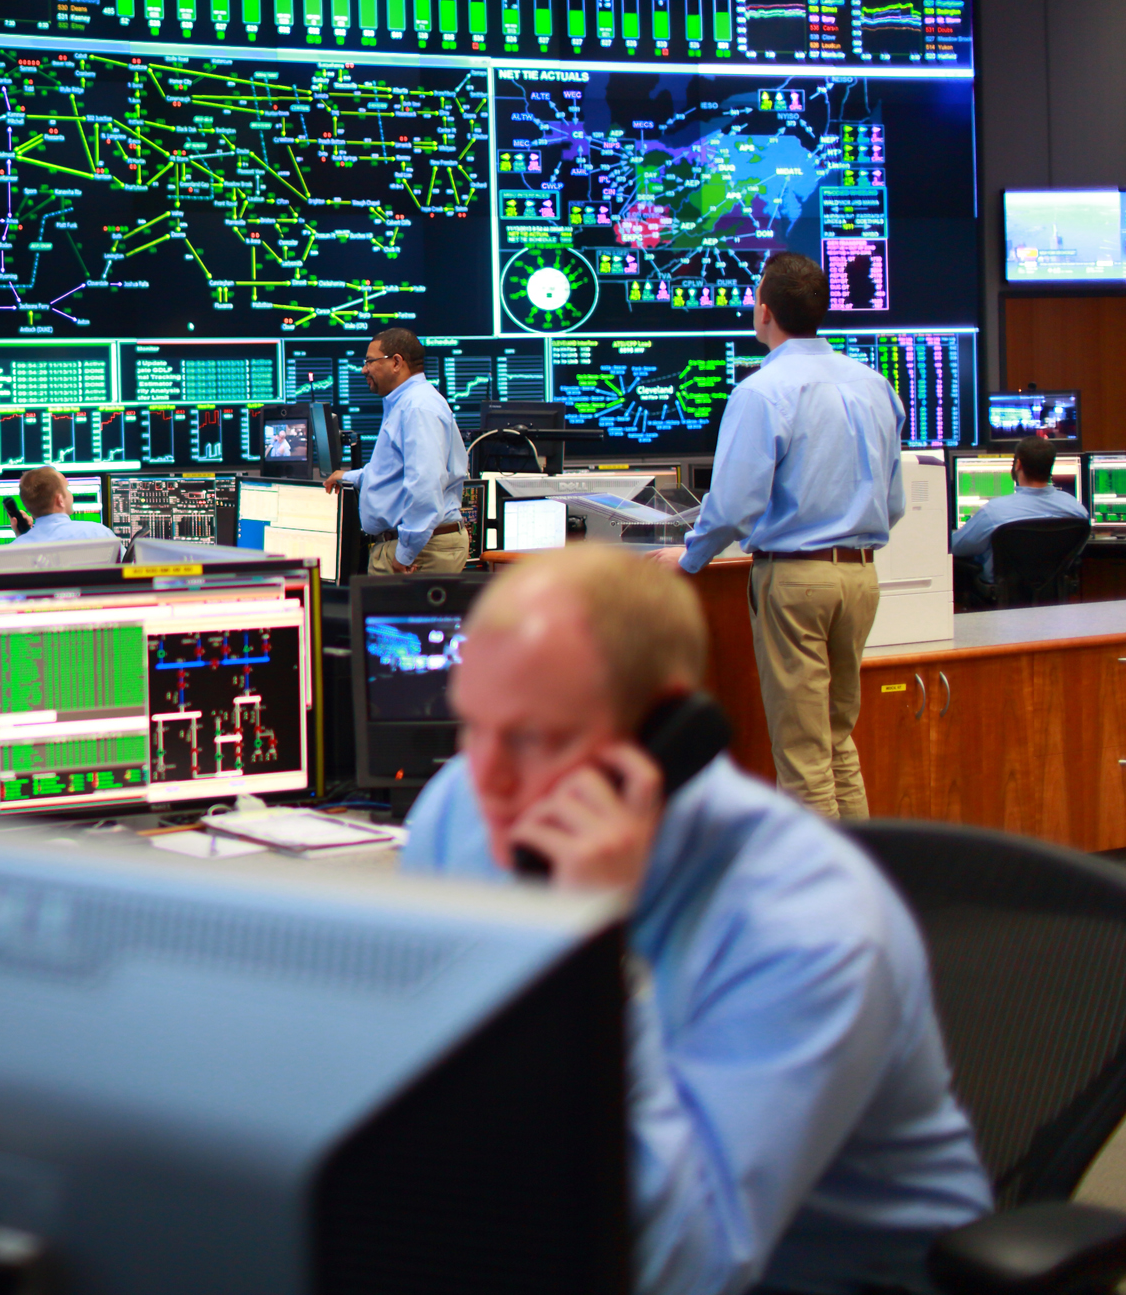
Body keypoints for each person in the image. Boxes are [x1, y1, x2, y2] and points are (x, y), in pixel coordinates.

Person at [403, 545, 990, 1295]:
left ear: (665, 727)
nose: (487, 780)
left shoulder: (809, 923)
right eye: (472, 727)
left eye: (532, 737)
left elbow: (684, 1270)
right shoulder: (458, 809)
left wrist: (592, 956)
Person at [658, 252, 903, 820]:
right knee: (837, 744)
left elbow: (733, 506)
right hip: (861, 578)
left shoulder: (762, 391)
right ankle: (860, 868)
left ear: (764, 311)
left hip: (795, 581)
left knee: (802, 758)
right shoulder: (874, 385)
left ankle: (817, 879)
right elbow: (892, 503)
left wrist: (690, 557)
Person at [323, 327, 468, 573]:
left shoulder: (417, 407)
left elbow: (425, 485)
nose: (364, 369)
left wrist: (405, 554)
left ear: (397, 362)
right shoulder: (406, 402)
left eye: (370, 361)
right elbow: (395, 472)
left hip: (420, 550)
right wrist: (349, 476)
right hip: (418, 545)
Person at [950, 434, 1087, 588]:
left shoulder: (993, 512)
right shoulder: (1077, 510)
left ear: (1018, 464)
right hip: (1053, 593)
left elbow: (956, 547)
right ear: (1050, 466)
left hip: (1003, 595)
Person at [6, 467, 118, 546]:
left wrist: (22, 539)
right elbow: (126, 568)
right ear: (59, 500)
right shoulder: (99, 534)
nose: (70, 494)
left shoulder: (14, 550)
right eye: (67, 488)